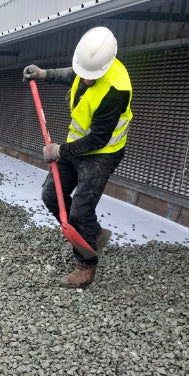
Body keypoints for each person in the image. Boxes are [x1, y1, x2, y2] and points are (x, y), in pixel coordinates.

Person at [23, 26, 133, 288]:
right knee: (51, 196)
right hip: (75, 146)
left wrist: (58, 150)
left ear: (104, 68)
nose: (84, 79)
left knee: (80, 212)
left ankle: (86, 266)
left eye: (90, 77)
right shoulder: (88, 66)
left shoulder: (116, 90)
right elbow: (73, 74)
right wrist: (44, 73)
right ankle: (94, 234)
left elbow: (98, 139)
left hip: (101, 154)